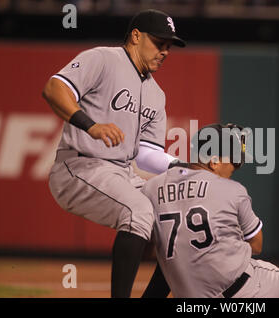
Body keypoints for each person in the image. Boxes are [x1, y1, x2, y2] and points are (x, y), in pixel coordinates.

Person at [42, 9, 186, 298]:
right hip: (78, 167)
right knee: (139, 210)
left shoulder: (157, 94)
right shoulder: (104, 59)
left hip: (122, 172)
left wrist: (184, 165)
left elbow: (147, 155)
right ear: (136, 36)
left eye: (169, 46)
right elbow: (54, 88)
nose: (165, 51)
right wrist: (90, 125)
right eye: (159, 43)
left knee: (178, 225)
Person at [141, 123, 279, 298]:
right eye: (231, 162)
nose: (233, 168)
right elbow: (257, 245)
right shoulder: (232, 190)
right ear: (214, 162)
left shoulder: (151, 188)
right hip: (245, 288)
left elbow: (151, 248)